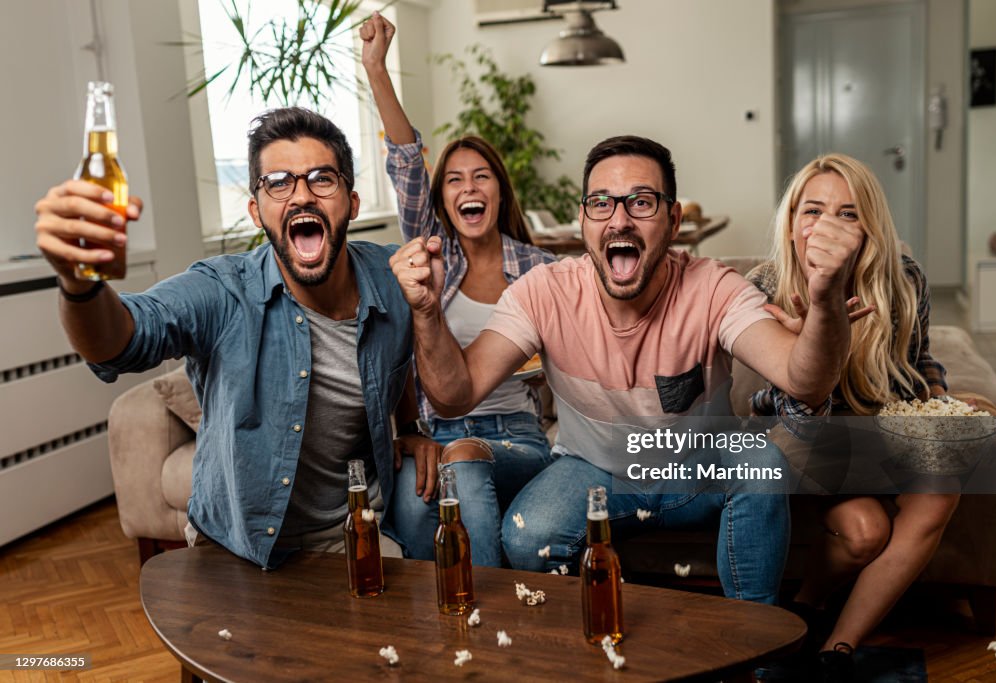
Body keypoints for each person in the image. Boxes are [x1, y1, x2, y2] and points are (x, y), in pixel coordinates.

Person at [389, 134, 864, 605]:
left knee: (762, 461)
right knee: (527, 539)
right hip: (592, 470)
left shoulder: (715, 287)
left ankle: (758, 653)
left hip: (698, 467)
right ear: (582, 220)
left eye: (641, 202)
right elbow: (456, 394)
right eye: (601, 203)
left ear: (673, 220)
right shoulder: (545, 291)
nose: (619, 220)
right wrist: (428, 314)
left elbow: (803, 379)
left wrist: (825, 302)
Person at [33, 107, 434, 569]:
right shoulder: (223, 290)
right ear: (255, 209)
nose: (301, 196)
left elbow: (398, 355)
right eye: (279, 182)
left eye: (322, 178)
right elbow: (121, 339)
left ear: (353, 201)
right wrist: (79, 284)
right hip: (238, 544)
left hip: (358, 530)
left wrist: (408, 428)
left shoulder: (391, 279)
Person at [747, 153, 960, 680]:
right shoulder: (764, 286)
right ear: (793, 221)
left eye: (848, 213)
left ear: (869, 226)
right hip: (804, 442)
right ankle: (806, 609)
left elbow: (921, 358)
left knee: (926, 494)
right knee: (864, 528)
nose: (826, 226)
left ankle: (835, 648)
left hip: (882, 436)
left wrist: (938, 401)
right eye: (812, 210)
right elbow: (766, 406)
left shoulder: (903, 278)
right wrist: (812, 338)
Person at [360, 13, 556, 567]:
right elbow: (405, 164)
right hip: (436, 431)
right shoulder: (431, 256)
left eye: (481, 176)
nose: (468, 187)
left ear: (499, 190)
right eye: (454, 180)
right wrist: (377, 69)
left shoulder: (540, 270)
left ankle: (491, 619)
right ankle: (443, 639)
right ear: (443, 202)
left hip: (516, 433)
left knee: (464, 464)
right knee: (415, 512)